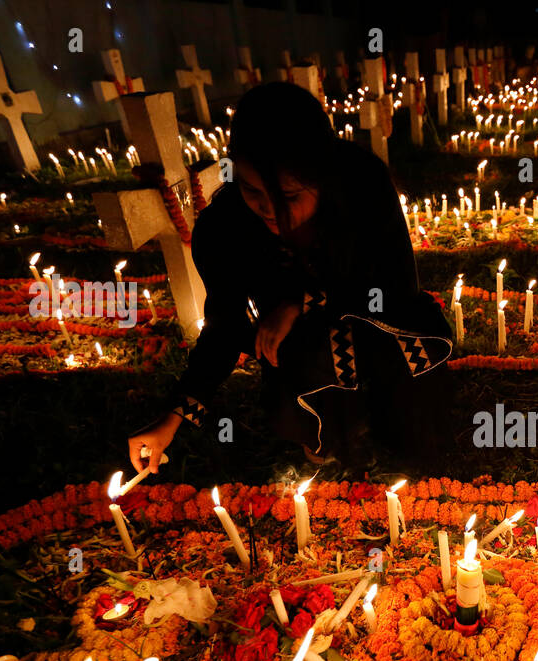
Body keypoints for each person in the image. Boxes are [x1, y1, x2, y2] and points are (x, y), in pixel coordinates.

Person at [127, 82, 452, 479]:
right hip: (301, 352)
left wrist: (302, 302)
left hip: (380, 324)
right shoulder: (225, 226)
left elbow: (395, 286)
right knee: (309, 391)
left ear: (323, 177)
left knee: (413, 434)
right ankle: (325, 433)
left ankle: (383, 411)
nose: (269, 208)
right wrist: (178, 414)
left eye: (290, 195)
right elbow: (225, 326)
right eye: (251, 190)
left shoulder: (362, 187)